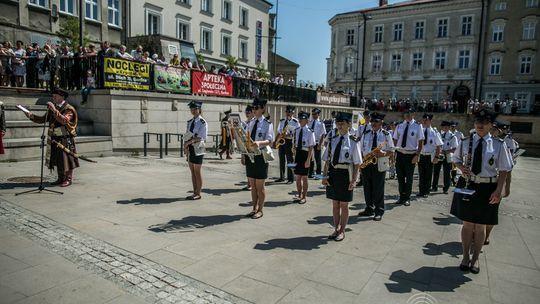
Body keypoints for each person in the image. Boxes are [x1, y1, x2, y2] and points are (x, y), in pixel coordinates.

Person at [451, 109, 512, 274]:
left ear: (491, 125)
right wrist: (461, 167)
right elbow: (455, 158)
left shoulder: (499, 144)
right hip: (468, 183)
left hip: (487, 186)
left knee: (480, 225)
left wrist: (499, 190)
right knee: (467, 224)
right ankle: (465, 256)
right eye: (477, 122)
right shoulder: (465, 141)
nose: (480, 125)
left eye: (484, 123)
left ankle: (475, 258)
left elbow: (505, 169)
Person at [24, 88, 79, 186]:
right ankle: (60, 178)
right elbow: (42, 119)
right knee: (58, 159)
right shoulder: (54, 108)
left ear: (62, 97)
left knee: (67, 159)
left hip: (65, 138)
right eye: (53, 96)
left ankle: (68, 179)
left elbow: (64, 120)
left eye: (55, 96)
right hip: (55, 138)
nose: (53, 98)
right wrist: (31, 116)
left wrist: (54, 109)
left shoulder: (69, 108)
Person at [322, 112, 362, 241]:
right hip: (333, 173)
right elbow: (327, 160)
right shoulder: (333, 140)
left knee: (344, 205)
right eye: (338, 123)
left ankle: (342, 231)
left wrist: (354, 180)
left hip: (346, 175)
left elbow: (357, 163)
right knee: (335, 204)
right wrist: (324, 176)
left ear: (349, 125)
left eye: (342, 123)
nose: (339, 126)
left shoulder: (353, 142)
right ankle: (336, 228)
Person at [358, 112, 394, 221]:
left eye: (376, 122)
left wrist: (383, 153)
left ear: (381, 123)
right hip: (367, 163)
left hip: (379, 163)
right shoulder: (366, 133)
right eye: (372, 121)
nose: (373, 123)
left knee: (378, 188)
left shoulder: (386, 134)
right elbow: (360, 149)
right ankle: (369, 208)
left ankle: (379, 211)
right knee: (367, 188)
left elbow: (391, 150)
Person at [243, 98, 274, 219]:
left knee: (260, 186)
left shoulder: (267, 123)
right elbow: (245, 139)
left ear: (262, 109)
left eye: (256, 108)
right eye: (253, 108)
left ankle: (260, 210)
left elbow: (270, 141)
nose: (254, 110)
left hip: (261, 156)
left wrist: (259, 143)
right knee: (253, 185)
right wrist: (243, 154)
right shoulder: (250, 123)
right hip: (251, 156)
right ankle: (254, 208)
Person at [393, 108, 424, 206]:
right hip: (400, 154)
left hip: (411, 155)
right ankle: (401, 197)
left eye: (409, 113)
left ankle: (407, 198)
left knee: (409, 178)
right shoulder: (400, 125)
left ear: (413, 114)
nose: (407, 115)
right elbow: (395, 139)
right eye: (406, 113)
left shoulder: (418, 126)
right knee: (400, 177)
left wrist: (417, 155)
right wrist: (394, 153)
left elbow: (420, 142)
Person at [184, 101, 208, 200]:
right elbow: (186, 136)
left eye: (195, 109)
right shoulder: (190, 122)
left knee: (197, 171)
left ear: (199, 109)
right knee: (192, 171)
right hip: (190, 147)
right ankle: (194, 191)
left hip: (198, 147)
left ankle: (198, 193)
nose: (193, 111)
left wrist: (189, 142)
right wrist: (185, 147)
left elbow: (202, 137)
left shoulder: (203, 122)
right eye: (192, 109)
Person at [292, 111, 316, 204]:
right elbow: (295, 142)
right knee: (298, 177)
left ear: (307, 120)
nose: (300, 120)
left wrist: (308, 160)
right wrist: (293, 149)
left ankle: (304, 197)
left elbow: (311, 147)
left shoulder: (310, 132)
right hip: (298, 154)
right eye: (300, 119)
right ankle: (299, 194)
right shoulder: (296, 130)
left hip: (306, 154)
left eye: (302, 119)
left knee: (305, 177)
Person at [417, 113, 443, 198]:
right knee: (421, 174)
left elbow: (439, 146)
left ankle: (426, 191)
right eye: (423, 120)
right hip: (421, 155)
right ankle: (421, 191)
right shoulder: (420, 131)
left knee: (428, 174)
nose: (424, 121)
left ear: (430, 121)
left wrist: (436, 157)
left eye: (426, 120)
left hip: (429, 156)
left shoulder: (435, 132)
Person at [432, 121, 458, 194]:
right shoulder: (440, 135)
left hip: (447, 156)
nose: (445, 128)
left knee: (446, 173)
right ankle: (434, 187)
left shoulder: (453, 137)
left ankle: (446, 188)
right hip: (439, 155)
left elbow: (455, 148)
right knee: (436, 171)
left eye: (446, 127)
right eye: (443, 127)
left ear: (449, 128)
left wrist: (445, 151)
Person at [275, 105, 299, 184]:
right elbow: (279, 132)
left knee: (290, 160)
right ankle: (282, 177)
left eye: (289, 112)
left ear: (293, 112)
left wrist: (289, 135)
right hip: (282, 141)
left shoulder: (295, 122)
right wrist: (275, 141)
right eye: (286, 112)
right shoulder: (282, 121)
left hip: (289, 142)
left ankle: (290, 178)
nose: (287, 113)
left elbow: (297, 134)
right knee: (281, 160)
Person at [308, 108, 327, 178]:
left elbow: (323, 134)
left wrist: (320, 144)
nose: (313, 115)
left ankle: (318, 174)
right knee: (310, 158)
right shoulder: (310, 122)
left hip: (317, 142)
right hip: (310, 143)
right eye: (312, 114)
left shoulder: (321, 123)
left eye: (315, 114)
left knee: (317, 158)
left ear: (318, 114)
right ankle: (310, 173)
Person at [241, 105, 255, 191]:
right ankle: (249, 183)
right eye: (246, 112)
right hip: (245, 147)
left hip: (252, 148)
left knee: (252, 166)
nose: (247, 114)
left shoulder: (254, 123)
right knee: (247, 166)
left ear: (253, 113)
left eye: (248, 112)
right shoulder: (245, 123)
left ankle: (251, 184)